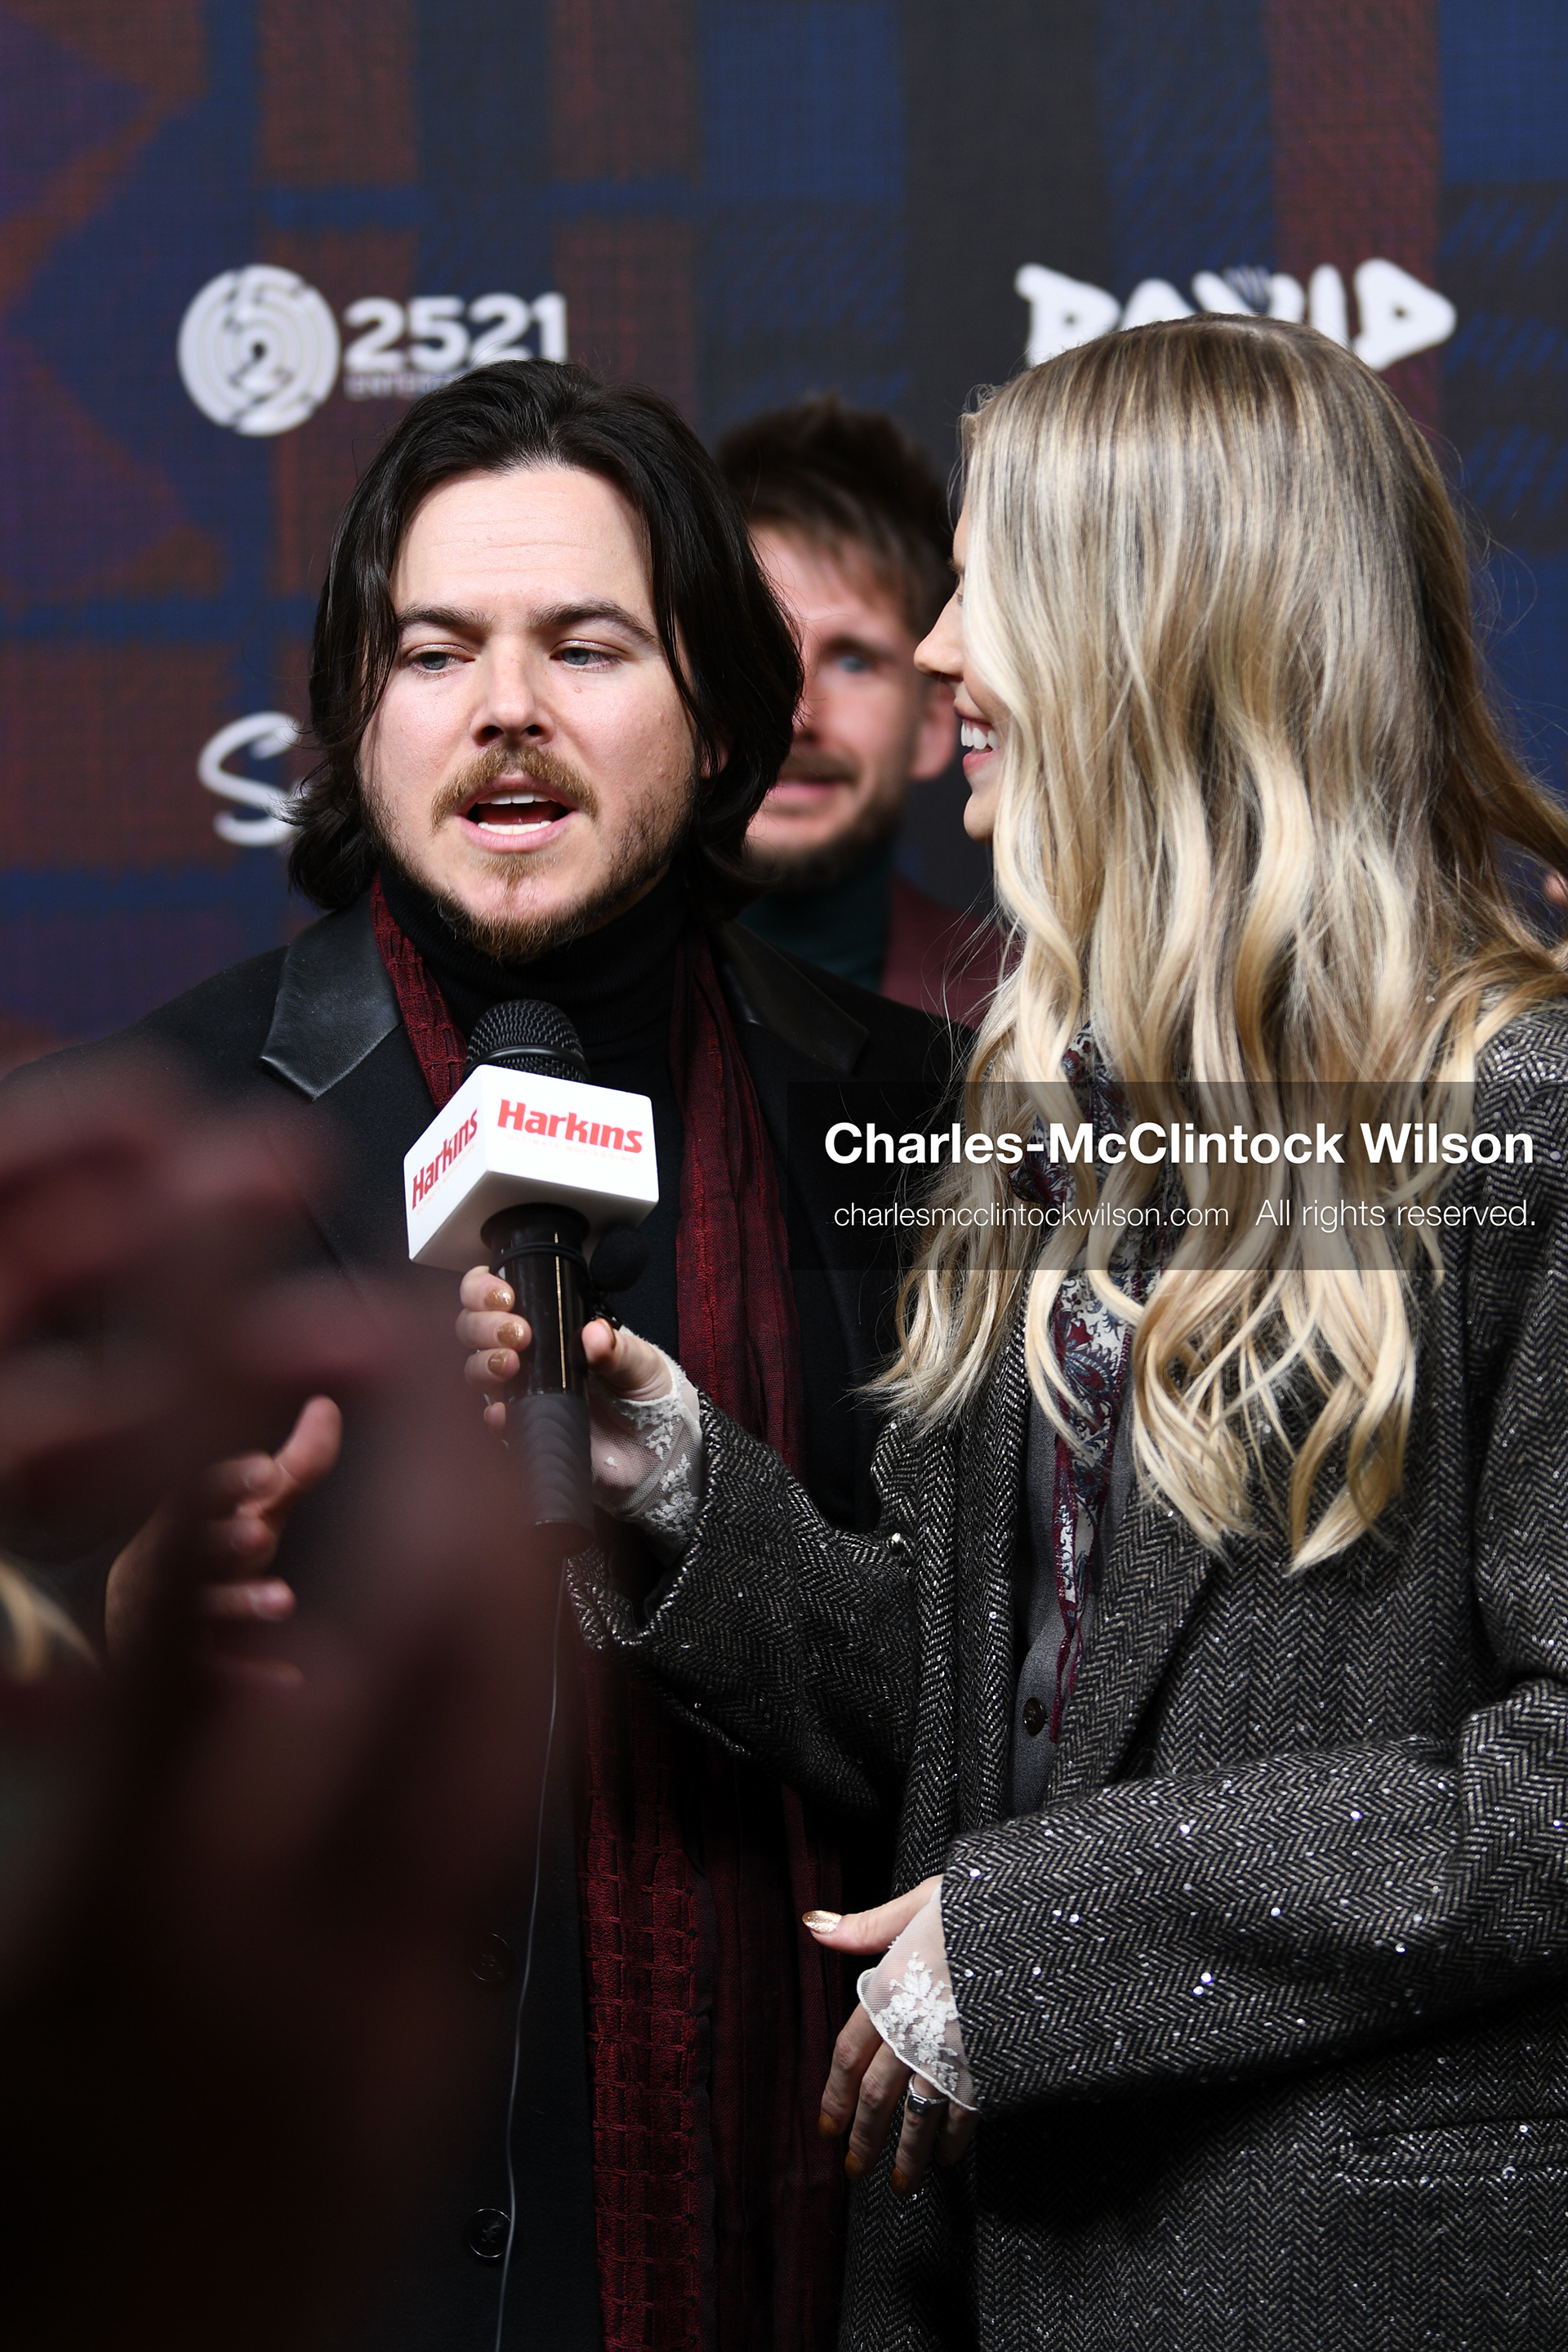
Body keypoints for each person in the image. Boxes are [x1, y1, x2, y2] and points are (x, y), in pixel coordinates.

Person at [461, 318, 1568, 2348]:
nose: (944, 650)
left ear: (1179, 641)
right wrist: (691, 1504)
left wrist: (1053, 1932)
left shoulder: (1526, 1111)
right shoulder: (1053, 1118)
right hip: (987, 2280)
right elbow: (998, 1718)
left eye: (998, 588)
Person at [17, 359, 957, 2352]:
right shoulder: (142, 1129)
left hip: (832, 2260)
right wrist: (115, 1631)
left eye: (584, 644)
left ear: (717, 715)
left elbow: (1017, 1715)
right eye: (432, 651)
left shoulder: (933, 1129)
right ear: (358, 724)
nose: (502, 705)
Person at [720, 395, 1002, 1023]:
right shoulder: (572, 1004)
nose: (797, 719)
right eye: (756, 649)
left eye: (853, 663)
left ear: (935, 721)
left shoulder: (1037, 1016)